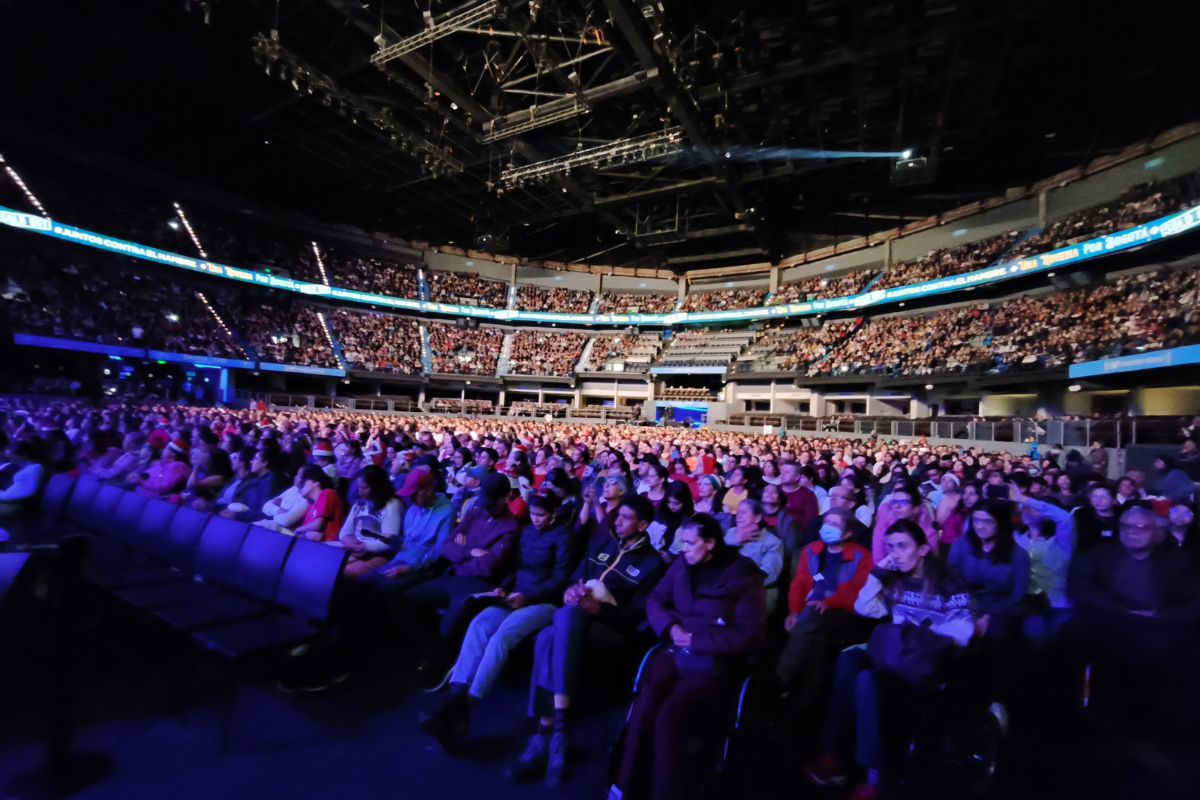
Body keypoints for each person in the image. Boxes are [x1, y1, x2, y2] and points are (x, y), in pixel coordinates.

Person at [806, 520, 975, 799]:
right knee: (850, 661)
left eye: (902, 547)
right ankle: (835, 754)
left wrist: (914, 635)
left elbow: (964, 630)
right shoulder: (895, 579)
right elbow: (864, 608)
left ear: (922, 549)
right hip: (896, 659)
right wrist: (880, 569)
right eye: (890, 547)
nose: (896, 553)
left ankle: (875, 778)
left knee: (866, 678)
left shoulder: (947, 581)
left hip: (927, 664)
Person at [610, 514, 768, 800]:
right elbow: (657, 599)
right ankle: (625, 786)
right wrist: (670, 626)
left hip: (713, 660)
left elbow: (751, 635)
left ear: (709, 543)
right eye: (682, 541)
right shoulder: (683, 565)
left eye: (689, 542)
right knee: (645, 705)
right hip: (675, 648)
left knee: (669, 716)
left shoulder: (744, 576)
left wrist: (698, 639)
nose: (683, 548)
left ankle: (665, 791)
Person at [513, 495, 665, 787]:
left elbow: (639, 617)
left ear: (643, 525)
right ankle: (554, 731)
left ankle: (548, 732)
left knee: (558, 628)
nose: (617, 521)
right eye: (617, 515)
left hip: (613, 632)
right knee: (549, 635)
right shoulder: (602, 543)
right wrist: (570, 592)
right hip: (577, 620)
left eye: (626, 518)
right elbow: (574, 578)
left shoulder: (652, 564)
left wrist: (602, 609)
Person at [419, 493, 573, 748]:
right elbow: (514, 568)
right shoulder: (526, 531)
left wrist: (527, 595)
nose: (536, 520)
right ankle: (456, 698)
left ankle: (462, 708)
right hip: (515, 594)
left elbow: (560, 578)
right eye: (533, 514)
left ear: (553, 514)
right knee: (480, 625)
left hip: (544, 602)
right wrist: (503, 588)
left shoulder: (563, 536)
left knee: (503, 635)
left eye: (542, 515)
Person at [399, 472, 519, 682]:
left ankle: (438, 661)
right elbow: (447, 546)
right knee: (403, 601)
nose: (487, 506)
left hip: (478, 584)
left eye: (492, 501)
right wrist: (471, 551)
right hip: (454, 575)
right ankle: (434, 652)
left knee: (450, 622)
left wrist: (463, 549)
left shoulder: (510, 525)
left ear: (505, 498)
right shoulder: (475, 512)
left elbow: (488, 567)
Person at [776, 508, 874, 709]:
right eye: (827, 522)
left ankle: (780, 679)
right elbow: (799, 584)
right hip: (810, 614)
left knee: (812, 619)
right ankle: (807, 700)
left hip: (844, 613)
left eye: (835, 525)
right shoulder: (811, 550)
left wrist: (828, 603)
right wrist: (794, 612)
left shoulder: (861, 556)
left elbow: (857, 592)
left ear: (846, 533)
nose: (828, 527)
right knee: (815, 638)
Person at [946, 502, 1030, 640]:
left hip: (1002, 610)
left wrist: (990, 615)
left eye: (987, 521)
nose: (980, 526)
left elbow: (1018, 595)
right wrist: (971, 614)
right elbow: (952, 581)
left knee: (997, 632)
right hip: (965, 606)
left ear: (1000, 523)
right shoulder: (961, 544)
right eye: (976, 520)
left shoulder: (1018, 554)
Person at [337, 465, 404, 578]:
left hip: (379, 554)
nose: (360, 492)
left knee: (342, 573)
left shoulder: (392, 505)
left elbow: (389, 542)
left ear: (377, 487)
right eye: (359, 487)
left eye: (364, 488)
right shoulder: (359, 504)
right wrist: (347, 540)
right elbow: (345, 531)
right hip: (356, 549)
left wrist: (363, 547)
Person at [723, 498, 785, 611]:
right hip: (725, 586)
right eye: (738, 512)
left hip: (758, 591)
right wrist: (738, 540)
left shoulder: (773, 543)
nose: (738, 516)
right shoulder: (731, 533)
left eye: (743, 513)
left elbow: (768, 574)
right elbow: (717, 560)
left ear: (757, 518)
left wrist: (738, 584)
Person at [292, 466, 346, 542]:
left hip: (327, 546)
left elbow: (317, 526)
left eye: (303, 483)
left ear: (312, 482)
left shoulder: (327, 493)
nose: (300, 488)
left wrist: (298, 530)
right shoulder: (311, 505)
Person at [0, 440, 46, 517]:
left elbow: (13, 495)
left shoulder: (32, 471)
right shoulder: (18, 464)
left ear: (23, 455)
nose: (9, 459)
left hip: (13, 504)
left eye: (11, 456)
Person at [1072, 484, 1122, 552]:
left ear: (1114, 500)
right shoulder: (1081, 514)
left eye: (1104, 497)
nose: (1098, 500)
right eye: (1094, 496)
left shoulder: (1122, 517)